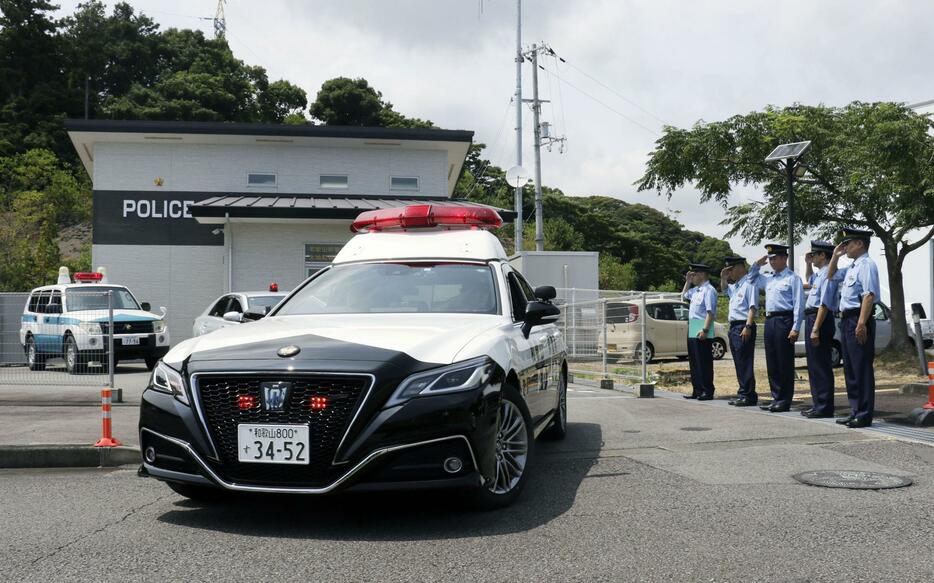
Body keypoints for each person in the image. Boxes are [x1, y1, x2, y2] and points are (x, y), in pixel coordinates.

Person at [826, 228, 881, 428]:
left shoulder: (867, 265)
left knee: (861, 368)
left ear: (859, 244)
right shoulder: (852, 267)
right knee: (850, 368)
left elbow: (869, 295)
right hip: (847, 320)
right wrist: (835, 256)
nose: (845, 247)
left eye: (848, 243)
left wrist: (861, 323)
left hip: (859, 318)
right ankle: (855, 410)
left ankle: (864, 414)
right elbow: (830, 275)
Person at [752, 244, 805, 412]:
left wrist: (796, 327)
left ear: (784, 258)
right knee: (772, 361)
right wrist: (756, 264)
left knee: (784, 362)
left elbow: (798, 304)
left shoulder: (792, 278)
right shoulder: (769, 278)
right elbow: (751, 279)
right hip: (770, 320)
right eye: (770, 259)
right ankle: (776, 397)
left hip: (784, 319)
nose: (772, 262)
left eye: (775, 258)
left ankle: (784, 399)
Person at [801, 241, 841, 419]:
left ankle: (824, 406)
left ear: (823, 256)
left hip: (820, 318)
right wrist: (807, 263)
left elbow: (824, 304)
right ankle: (818, 403)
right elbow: (809, 280)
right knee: (813, 365)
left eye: (815, 255)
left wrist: (816, 328)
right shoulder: (819, 275)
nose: (813, 257)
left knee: (821, 365)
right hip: (812, 317)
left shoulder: (827, 275)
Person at [720, 256, 759, 406]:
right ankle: (743, 392)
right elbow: (724, 290)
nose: (730, 273)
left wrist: (748, 326)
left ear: (741, 267)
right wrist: (723, 277)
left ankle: (749, 395)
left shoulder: (749, 284)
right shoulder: (735, 286)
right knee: (739, 362)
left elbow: (752, 307)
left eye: (731, 269)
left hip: (743, 325)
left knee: (745, 361)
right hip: (734, 326)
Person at [681, 263, 718, 400]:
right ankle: (697, 389)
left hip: (702, 325)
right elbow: (684, 295)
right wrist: (687, 282)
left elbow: (710, 312)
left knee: (704, 361)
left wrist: (705, 330)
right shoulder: (696, 290)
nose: (693, 276)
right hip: (693, 325)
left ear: (702, 274)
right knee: (694, 360)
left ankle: (707, 390)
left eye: (694, 274)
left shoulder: (709, 290)